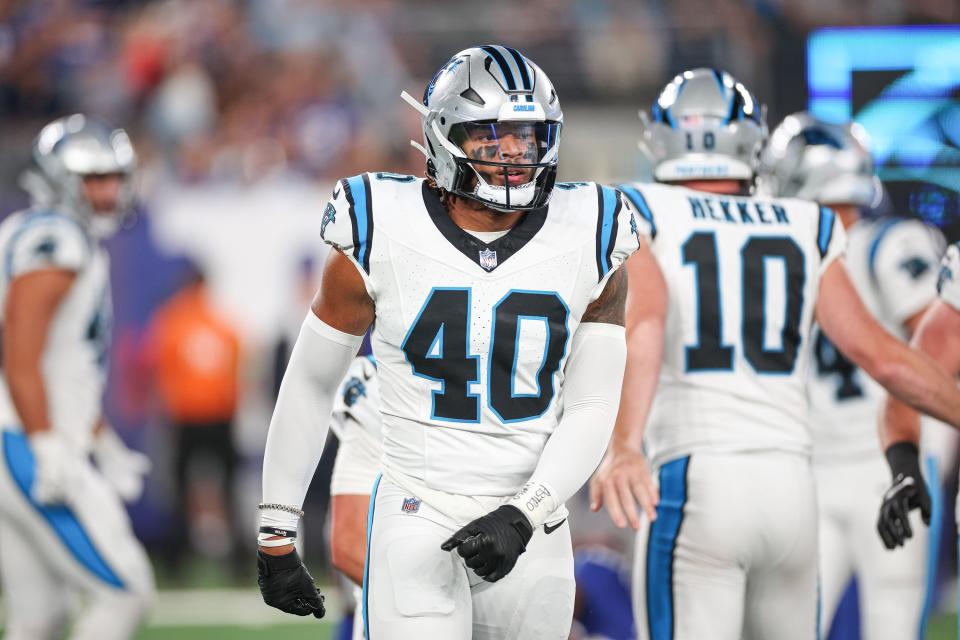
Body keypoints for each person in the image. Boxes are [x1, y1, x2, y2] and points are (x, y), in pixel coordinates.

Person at [256, 45, 647, 639]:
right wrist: (278, 529)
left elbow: (592, 406)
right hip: (418, 509)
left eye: (527, 137)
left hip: (534, 523)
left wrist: (526, 512)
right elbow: (311, 382)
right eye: (491, 137)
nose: (514, 155)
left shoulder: (593, 230)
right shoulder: (378, 223)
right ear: (444, 138)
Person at [589, 68, 960, 640]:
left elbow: (648, 322)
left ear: (662, 139)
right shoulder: (804, 223)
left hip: (698, 474)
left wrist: (624, 446)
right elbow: (883, 356)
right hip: (792, 486)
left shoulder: (637, 207)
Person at [762, 112, 948, 639]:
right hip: (828, 464)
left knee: (798, 623)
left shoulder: (870, 245)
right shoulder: (879, 242)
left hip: (877, 463)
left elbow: (935, 346)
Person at [0, 114, 155, 640]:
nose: (109, 192)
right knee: (125, 591)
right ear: (60, 179)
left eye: (114, 178)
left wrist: (103, 443)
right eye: (94, 179)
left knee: (38, 616)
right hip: (22, 439)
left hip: (22, 434)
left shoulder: (42, 232)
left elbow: (61, 368)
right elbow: (19, 353)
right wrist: (45, 445)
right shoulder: (56, 237)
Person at [146, 263, 243, 575]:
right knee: (227, 490)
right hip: (218, 417)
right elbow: (237, 372)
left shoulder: (171, 322)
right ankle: (236, 561)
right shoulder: (221, 323)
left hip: (187, 418)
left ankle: (177, 560)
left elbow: (161, 374)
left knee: (181, 490)